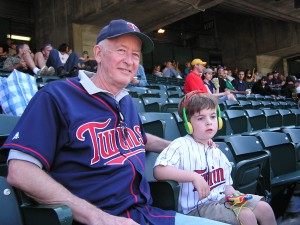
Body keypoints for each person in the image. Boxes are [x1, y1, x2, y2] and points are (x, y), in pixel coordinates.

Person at [1, 19, 225, 225]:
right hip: (94, 219)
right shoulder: (57, 96)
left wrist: (183, 146)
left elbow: (141, 139)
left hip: (144, 213)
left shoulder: (125, 100)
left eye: (136, 55)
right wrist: (101, 219)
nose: (130, 61)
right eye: (121, 51)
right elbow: (20, 171)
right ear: (98, 53)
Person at [153, 92, 277, 225]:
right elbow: (159, 171)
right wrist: (194, 177)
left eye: (213, 116)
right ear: (188, 124)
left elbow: (227, 185)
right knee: (246, 216)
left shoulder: (216, 150)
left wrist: (234, 194)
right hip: (196, 208)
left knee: (264, 208)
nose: (209, 122)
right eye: (200, 118)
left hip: (220, 200)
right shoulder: (180, 145)